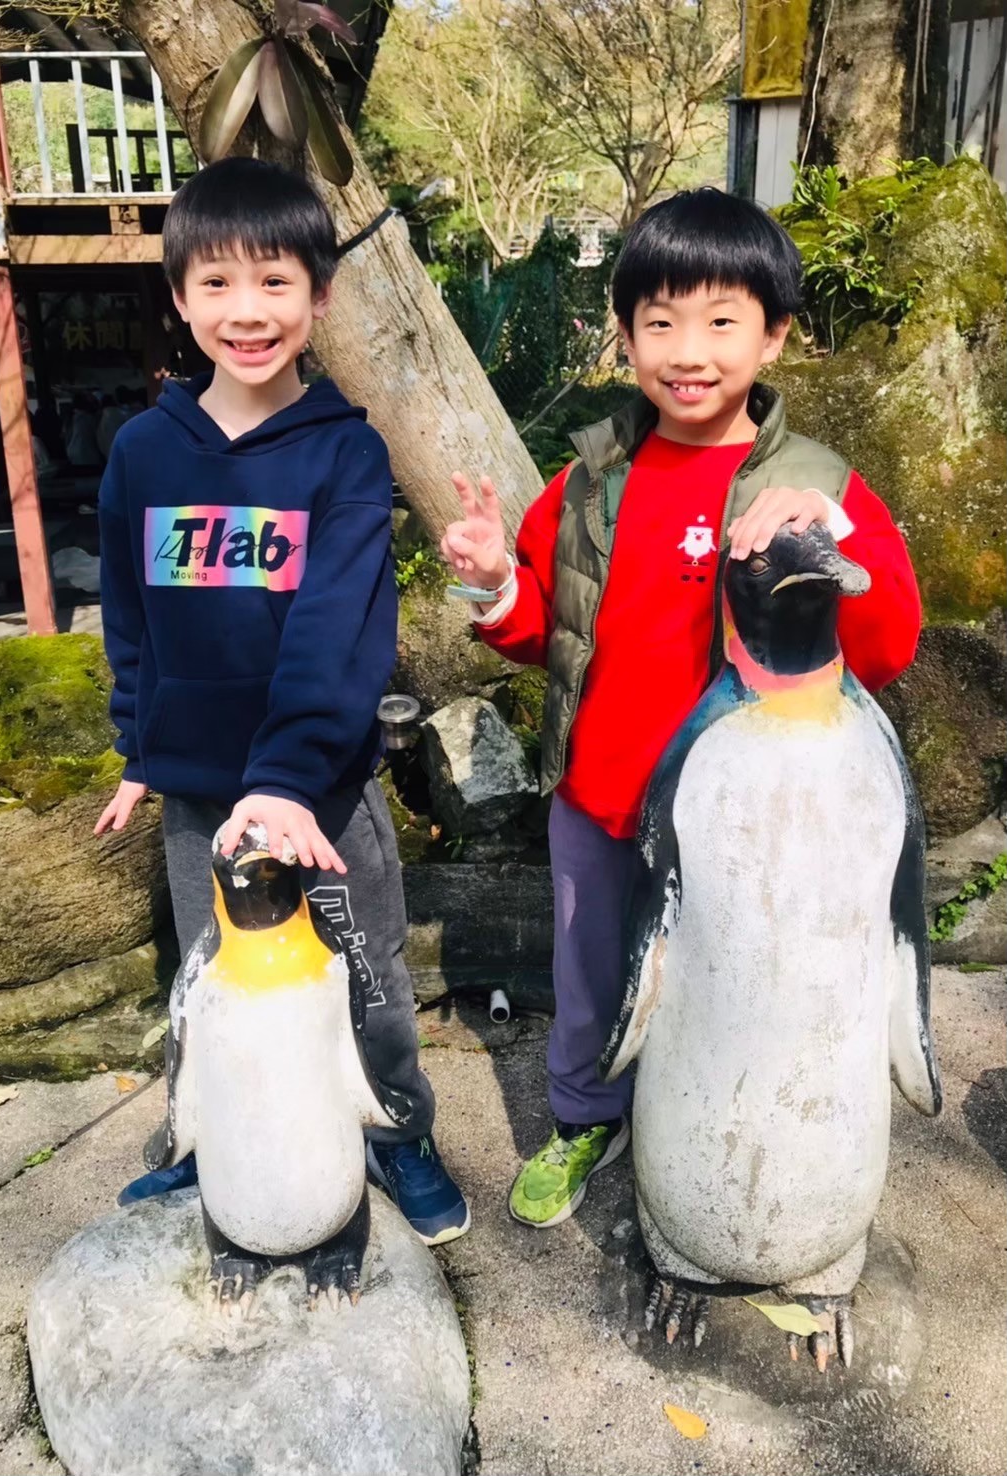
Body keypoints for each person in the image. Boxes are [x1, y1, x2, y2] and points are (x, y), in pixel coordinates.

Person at [441, 188, 922, 1230]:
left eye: (721, 321)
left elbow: (885, 650)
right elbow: (546, 634)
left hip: (746, 822)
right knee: (587, 967)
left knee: (731, 980)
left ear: (773, 334)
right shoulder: (590, 481)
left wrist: (833, 535)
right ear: (624, 336)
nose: (688, 352)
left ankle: (723, 1135)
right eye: (658, 322)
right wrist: (493, 584)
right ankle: (584, 1116)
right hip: (601, 793)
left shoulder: (815, 483)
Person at [94, 157, 470, 1247]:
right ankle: (208, 1144)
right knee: (210, 982)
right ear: (179, 297)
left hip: (323, 797)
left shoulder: (344, 455)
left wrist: (289, 780)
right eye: (216, 283)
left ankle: (395, 1130)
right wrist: (139, 746)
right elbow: (131, 617)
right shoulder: (143, 454)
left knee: (366, 978)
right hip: (201, 798)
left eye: (274, 282)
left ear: (321, 296)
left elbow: (336, 633)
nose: (247, 311)